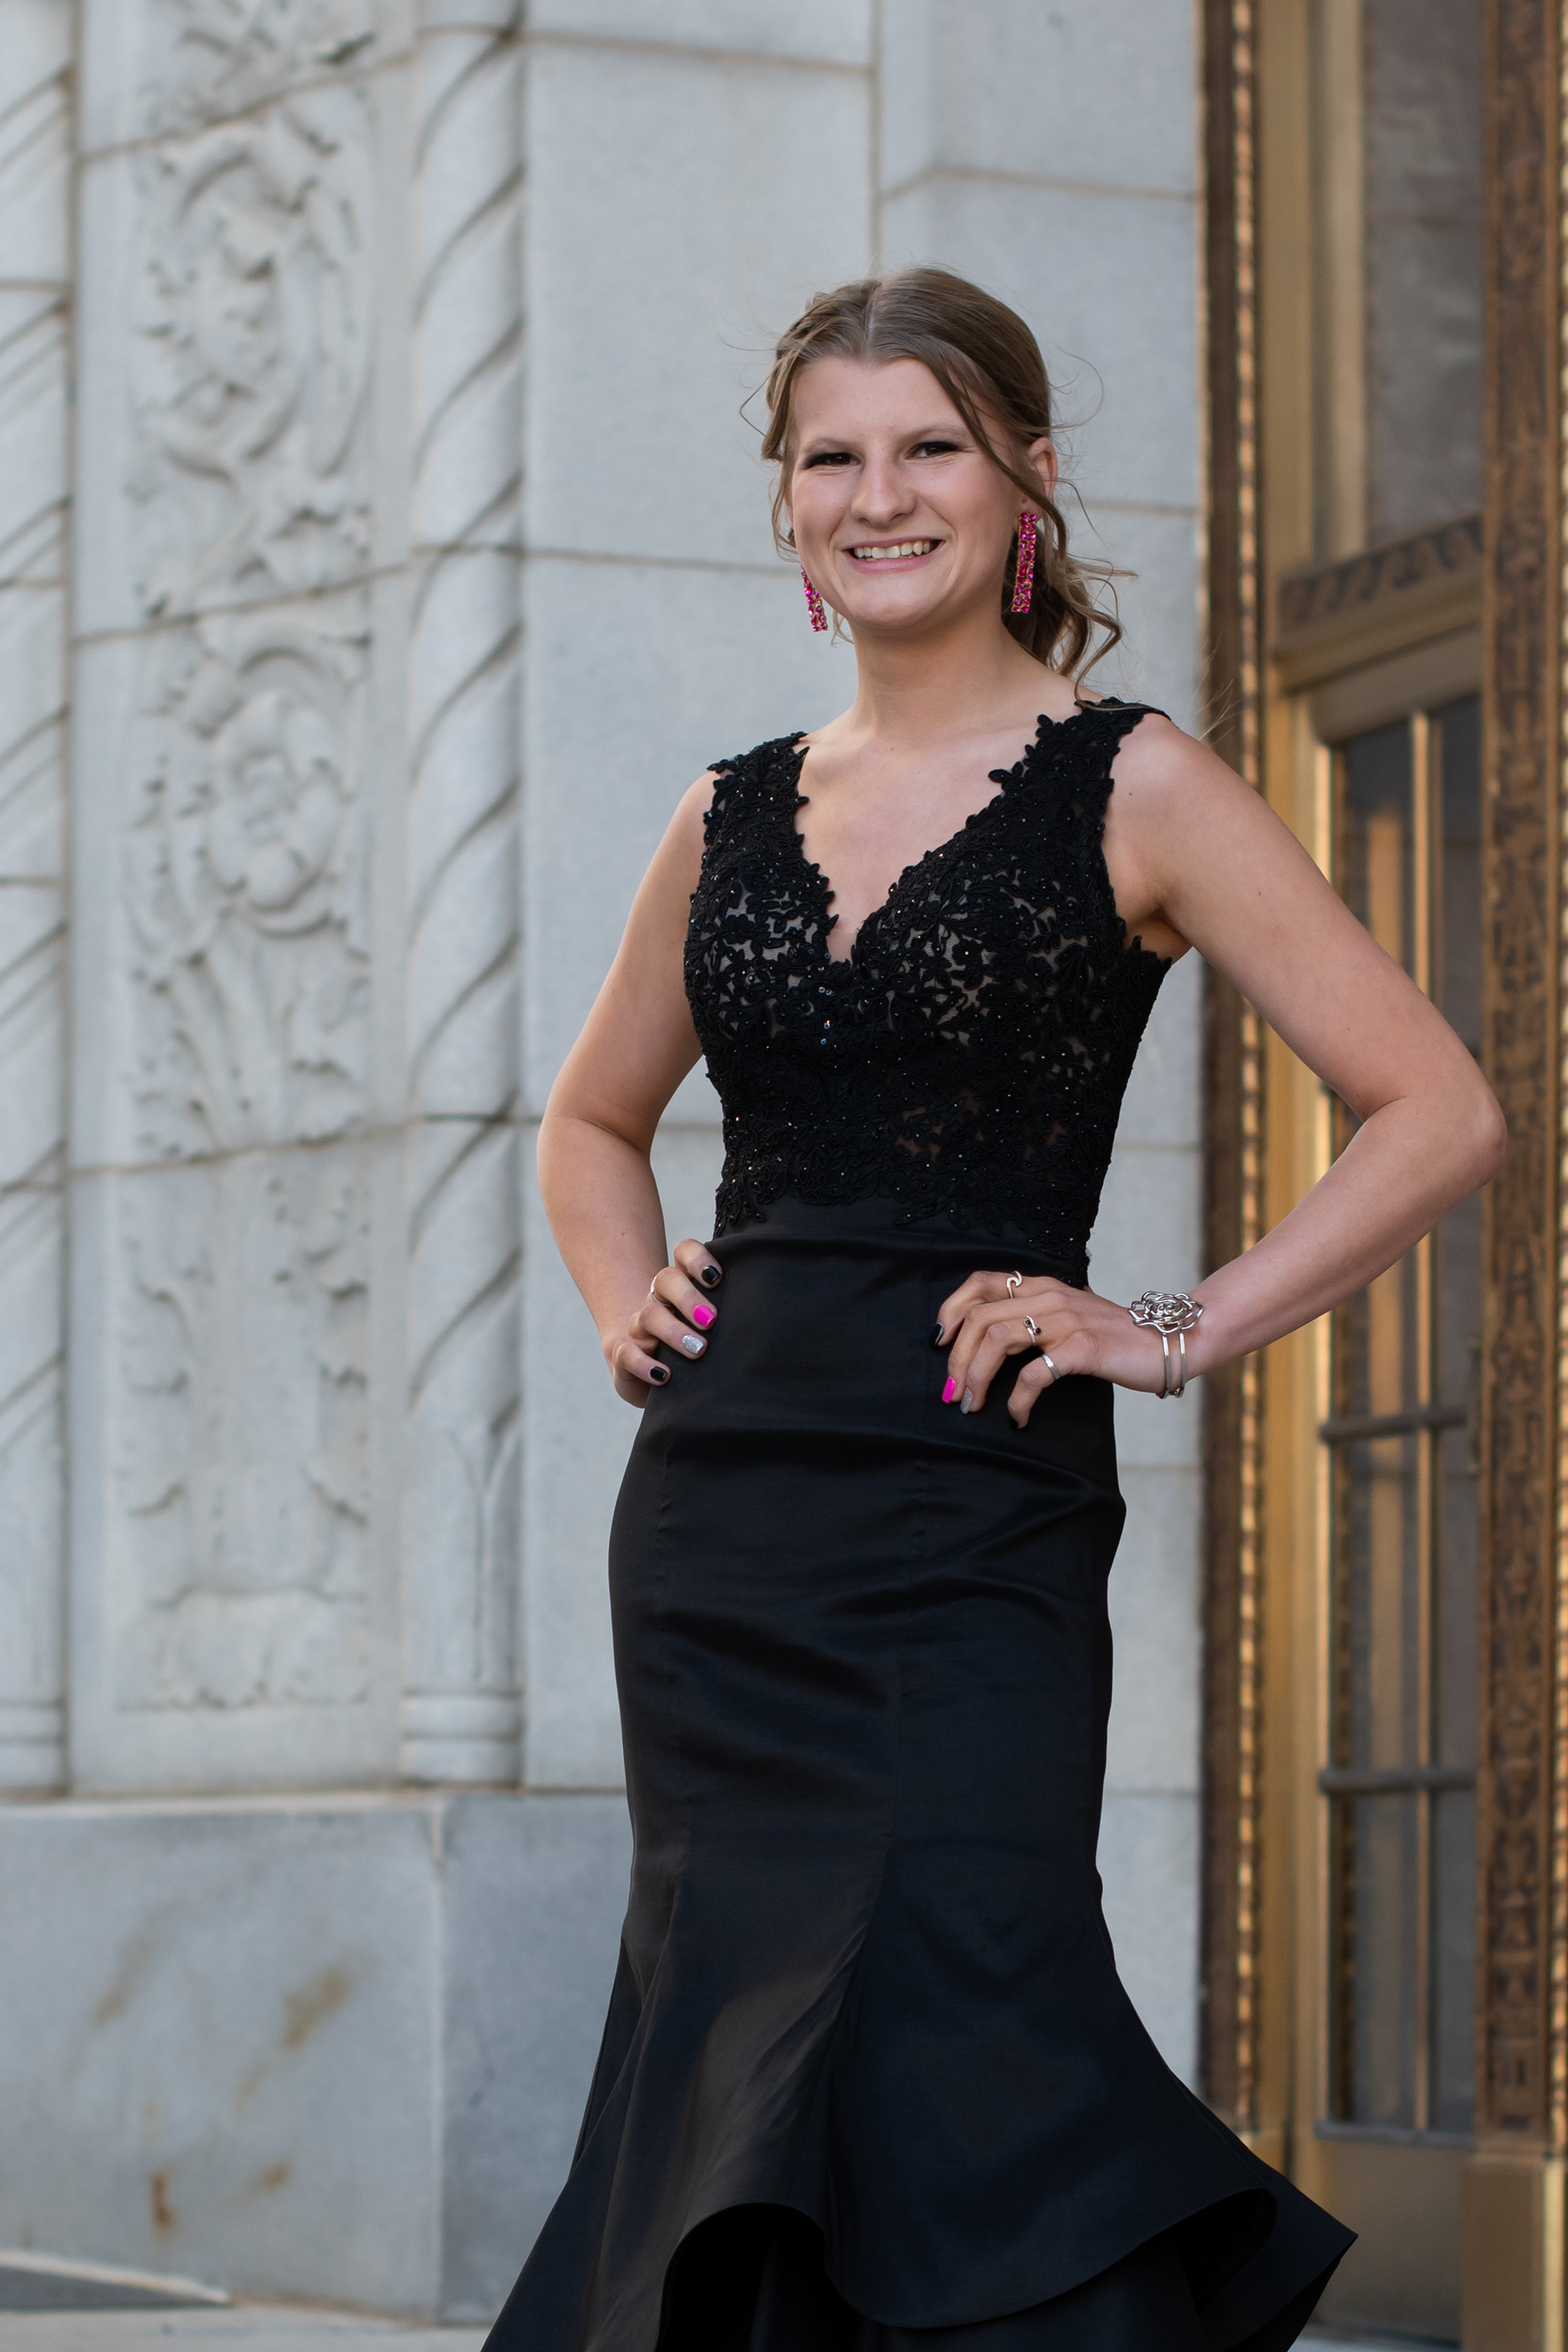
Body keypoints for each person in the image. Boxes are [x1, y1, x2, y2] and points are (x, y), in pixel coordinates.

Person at [484, 268, 1504, 2352]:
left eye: (929, 446)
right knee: (738, 2024)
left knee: (973, 1996)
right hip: (723, 1531)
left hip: (976, 1507)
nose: (880, 496)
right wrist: (620, 1294)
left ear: (1026, 475)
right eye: (832, 458)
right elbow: (590, 1120)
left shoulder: (1139, 784)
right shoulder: (726, 811)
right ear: (788, 506)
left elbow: (1439, 1109)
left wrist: (1172, 1326)